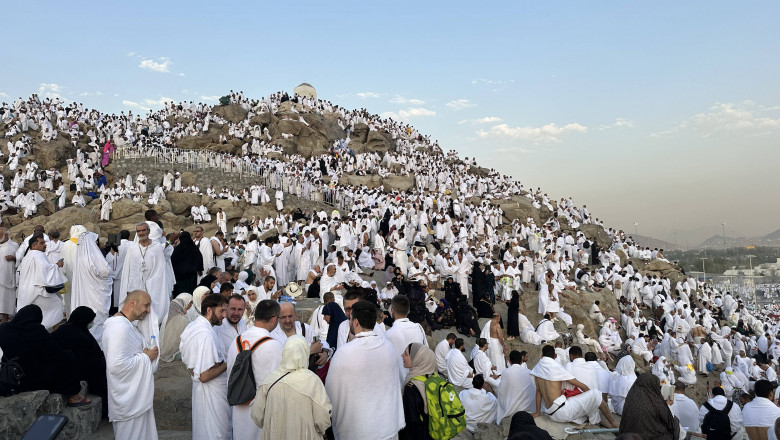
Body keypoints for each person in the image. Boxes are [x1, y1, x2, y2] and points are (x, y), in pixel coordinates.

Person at [325, 300, 405, 440]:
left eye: (350, 319)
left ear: (355, 322)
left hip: (359, 431)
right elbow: (396, 384)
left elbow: (330, 394)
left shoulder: (344, 353)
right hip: (387, 427)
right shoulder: (389, 348)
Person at [0, 305, 89, 406]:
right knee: (68, 357)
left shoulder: (4, 328)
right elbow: (55, 353)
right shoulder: (36, 330)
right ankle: (74, 395)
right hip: (31, 379)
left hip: (10, 376)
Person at [251, 335, 331, 440]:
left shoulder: (269, 380)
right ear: (305, 353)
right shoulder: (312, 381)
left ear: (284, 352)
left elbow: (257, 415)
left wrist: (274, 426)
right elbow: (323, 418)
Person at [102, 291, 158, 439]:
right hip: (128, 400)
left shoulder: (127, 325)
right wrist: (146, 357)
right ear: (132, 303)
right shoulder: (119, 327)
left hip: (135, 397)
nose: (148, 310)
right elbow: (116, 366)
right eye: (146, 305)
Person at [227, 299, 283, 440]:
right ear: (274, 319)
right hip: (263, 412)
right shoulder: (274, 345)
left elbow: (230, 376)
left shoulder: (236, 341)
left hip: (239, 406)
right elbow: (277, 386)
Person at [179, 294, 231, 440]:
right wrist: (229, 362)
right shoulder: (205, 335)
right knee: (216, 432)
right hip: (212, 395)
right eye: (222, 311)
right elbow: (205, 376)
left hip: (203, 392)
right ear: (209, 310)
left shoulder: (194, 326)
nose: (224, 315)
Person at [52, 306, 109, 416]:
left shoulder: (65, 328)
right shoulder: (78, 333)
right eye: (90, 321)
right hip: (77, 366)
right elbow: (89, 354)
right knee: (101, 367)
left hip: (70, 364)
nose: (91, 323)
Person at [530, 345, 603, 426]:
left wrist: (537, 412)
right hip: (562, 411)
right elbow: (582, 386)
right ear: (555, 356)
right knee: (596, 394)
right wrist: (591, 397)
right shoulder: (557, 367)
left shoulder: (537, 368)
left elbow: (538, 392)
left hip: (551, 414)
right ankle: (612, 423)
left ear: (542, 356)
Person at [119, 222, 172, 325]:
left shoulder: (156, 247)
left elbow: (160, 270)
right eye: (139, 231)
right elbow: (128, 270)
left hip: (153, 287)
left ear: (148, 231)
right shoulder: (132, 249)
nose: (141, 233)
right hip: (135, 286)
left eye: (143, 230)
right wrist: (128, 289)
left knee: (151, 316)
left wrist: (151, 284)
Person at [70, 230, 112, 346]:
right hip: (96, 294)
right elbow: (105, 271)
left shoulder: (80, 257)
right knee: (97, 319)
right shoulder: (94, 256)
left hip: (84, 293)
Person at [17, 234, 66, 329]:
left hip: (27, 291)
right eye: (42, 243)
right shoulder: (38, 255)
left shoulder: (28, 256)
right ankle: (55, 333)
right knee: (57, 305)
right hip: (38, 291)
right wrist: (57, 265)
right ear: (34, 246)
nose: (45, 245)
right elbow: (45, 271)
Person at [619, 373, 680, 440]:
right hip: (651, 436)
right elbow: (669, 423)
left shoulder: (631, 396)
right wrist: (668, 405)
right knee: (675, 422)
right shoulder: (656, 402)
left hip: (627, 435)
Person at [399, 342, 437, 440]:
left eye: (406, 354)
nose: (402, 355)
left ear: (417, 359)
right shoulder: (434, 378)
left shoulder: (412, 388)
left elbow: (411, 422)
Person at [497, 350, 536, 423]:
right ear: (521, 361)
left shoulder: (506, 372)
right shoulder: (529, 372)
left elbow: (502, 392)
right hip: (528, 408)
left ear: (510, 362)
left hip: (511, 410)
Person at [159, 293, 193, 362]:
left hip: (165, 349)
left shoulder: (169, 316)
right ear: (183, 304)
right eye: (190, 303)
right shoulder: (182, 320)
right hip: (176, 352)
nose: (191, 305)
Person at [172, 231, 203, 295]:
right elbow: (199, 258)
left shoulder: (177, 249)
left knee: (180, 292)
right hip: (191, 275)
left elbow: (173, 260)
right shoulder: (194, 248)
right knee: (190, 292)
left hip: (179, 276)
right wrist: (200, 270)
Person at [0, 227, 19, 323]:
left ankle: (5, 318)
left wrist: (13, 258)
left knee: (5, 298)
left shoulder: (14, 245)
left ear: (6, 235)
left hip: (7, 277)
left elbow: (20, 260)